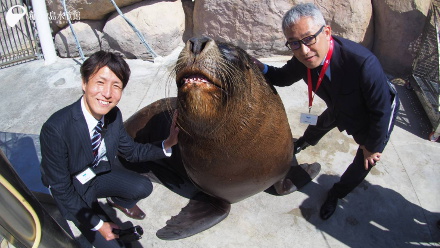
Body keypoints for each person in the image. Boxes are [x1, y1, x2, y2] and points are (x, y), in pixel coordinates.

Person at [253, 3, 399, 220]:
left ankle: (336, 193)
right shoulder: (304, 57)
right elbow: (282, 77)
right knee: (323, 122)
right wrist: (261, 67)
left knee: (364, 162)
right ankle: (302, 143)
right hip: (339, 103)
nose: (303, 50)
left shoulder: (363, 64)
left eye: (309, 38)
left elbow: (381, 112)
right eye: (294, 43)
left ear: (327, 32)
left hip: (371, 114)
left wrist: (372, 146)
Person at [40, 51, 179, 247]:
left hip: (96, 173)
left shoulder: (113, 115)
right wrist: (98, 223)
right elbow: (61, 188)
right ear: (84, 83)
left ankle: (118, 201)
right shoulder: (56, 129)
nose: (107, 93)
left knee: (143, 186)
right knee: (111, 243)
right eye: (100, 82)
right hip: (72, 186)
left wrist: (168, 143)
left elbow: (131, 151)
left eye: (116, 86)